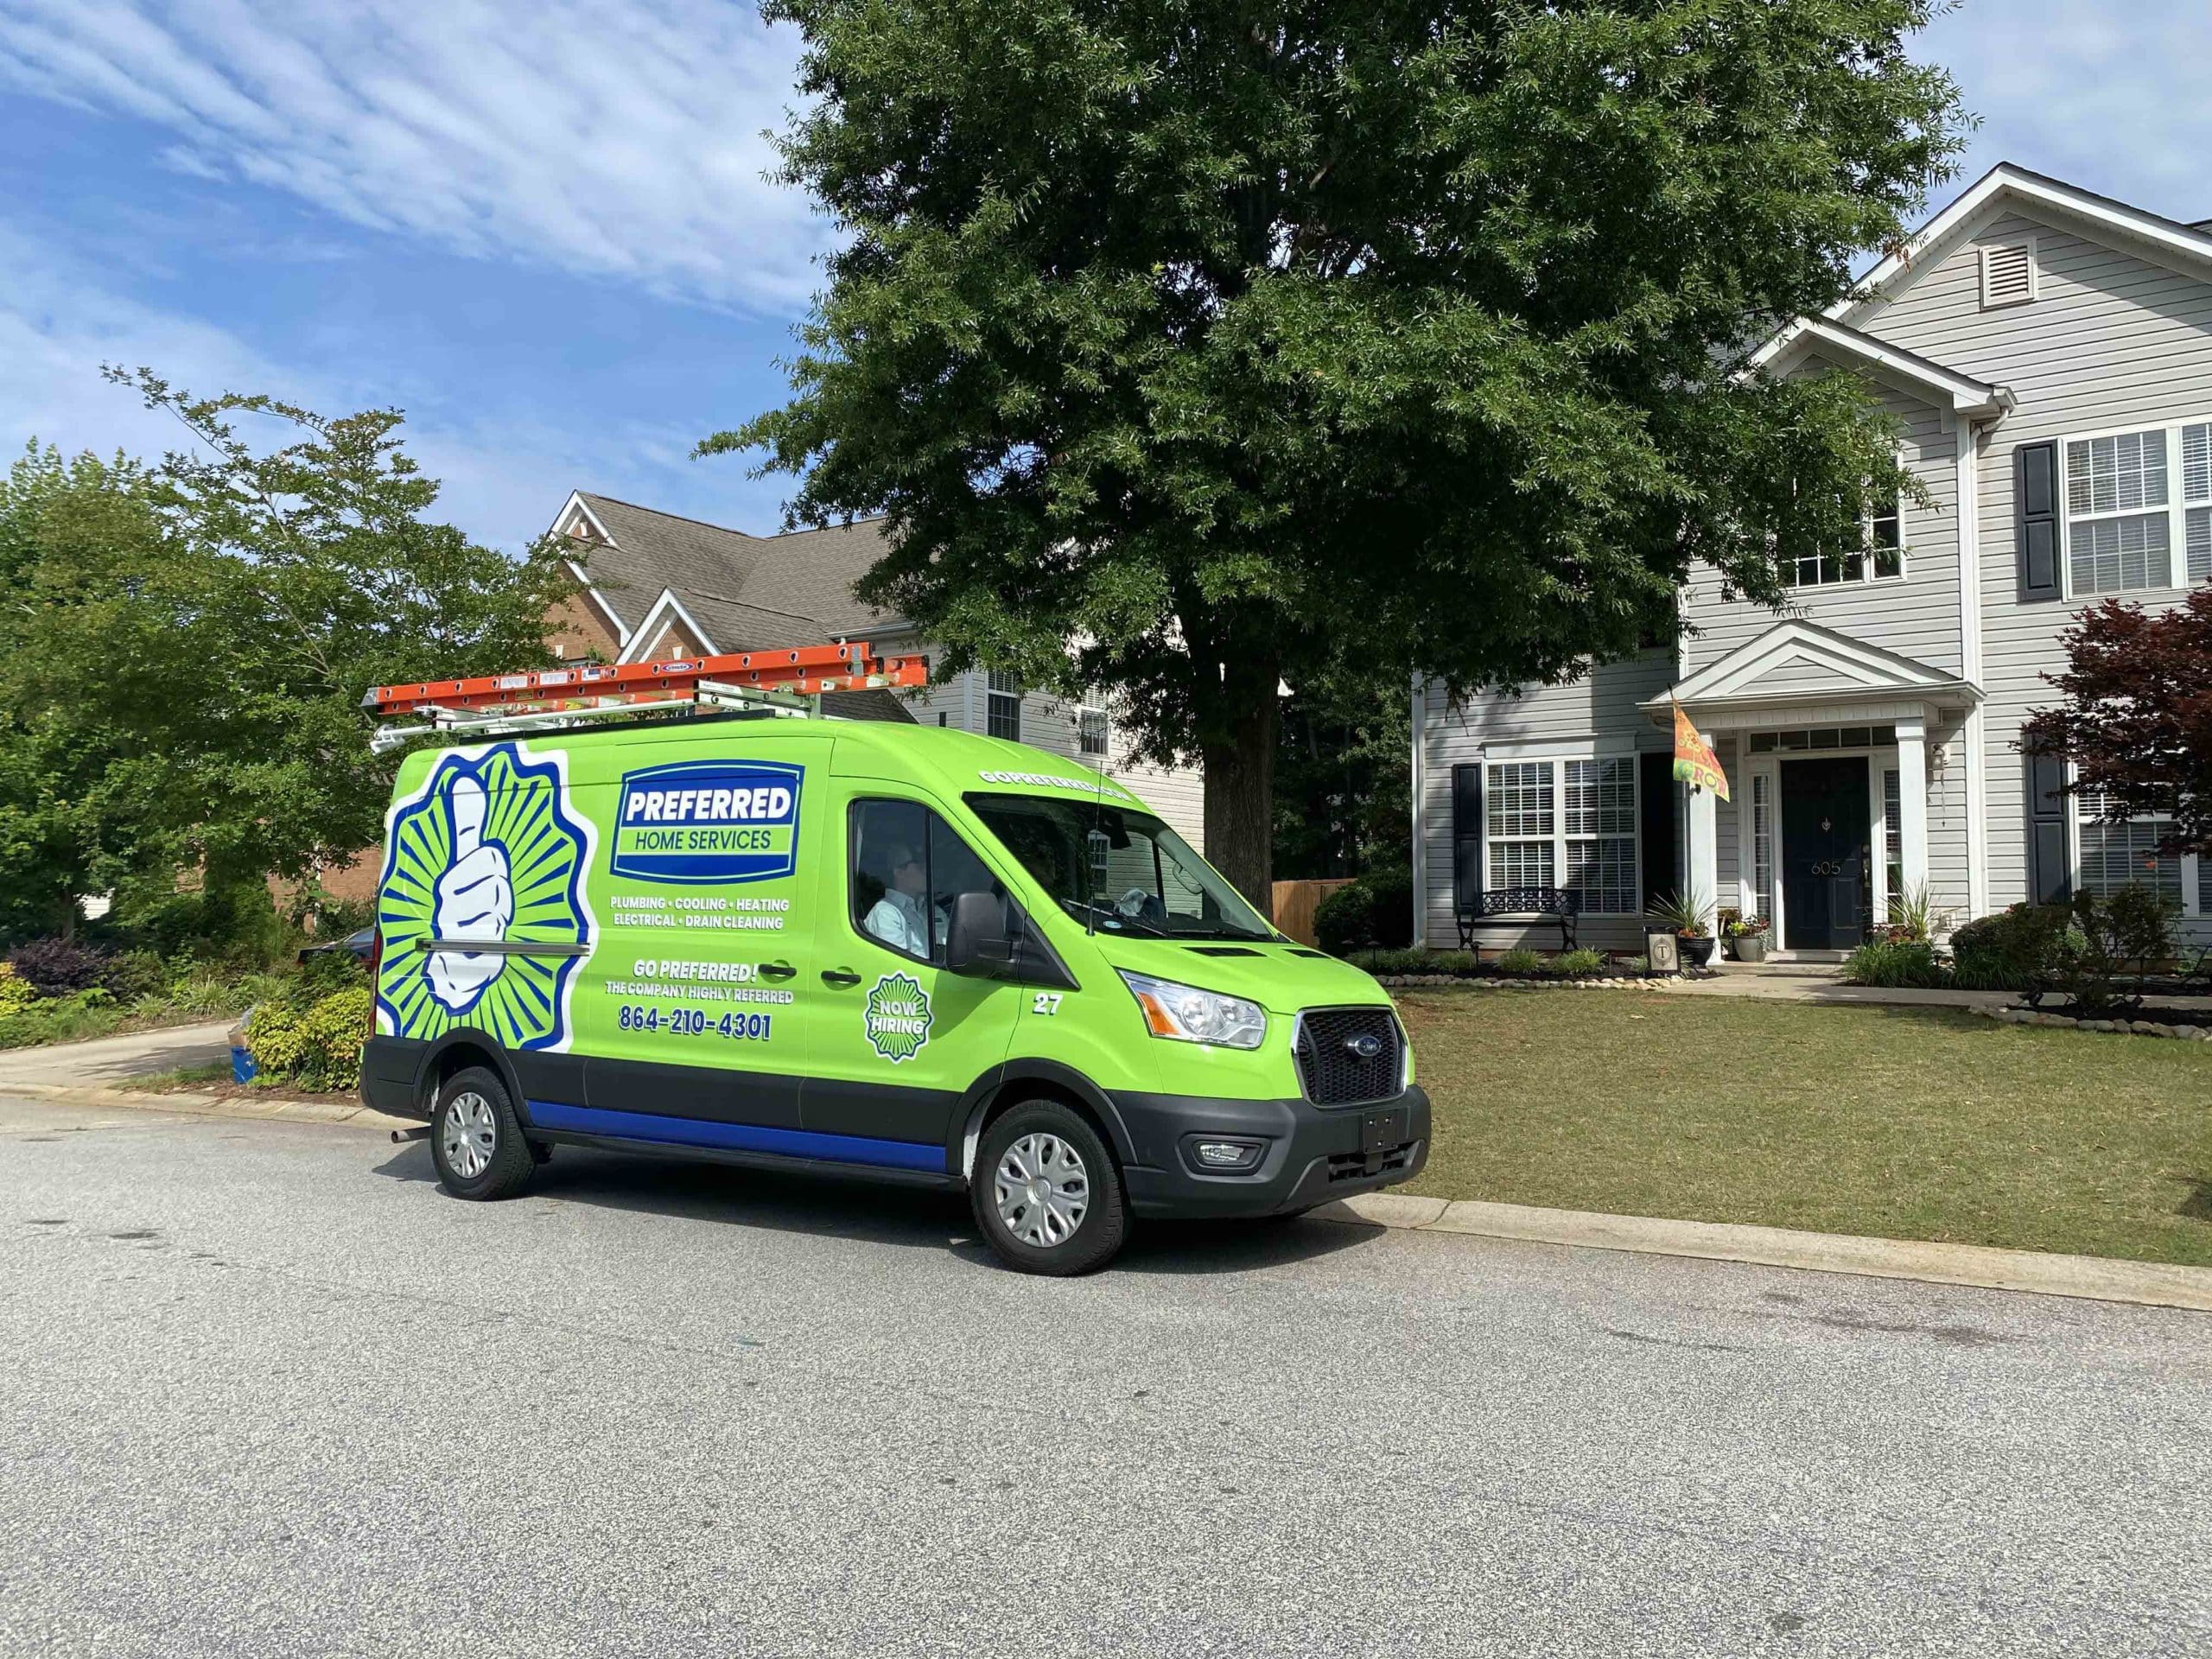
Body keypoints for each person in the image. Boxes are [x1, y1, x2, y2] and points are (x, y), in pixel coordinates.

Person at [864, 842, 933, 957]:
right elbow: (897, 966)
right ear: (899, 872)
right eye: (919, 866)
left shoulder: (932, 910)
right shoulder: (886, 913)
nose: (926, 870)